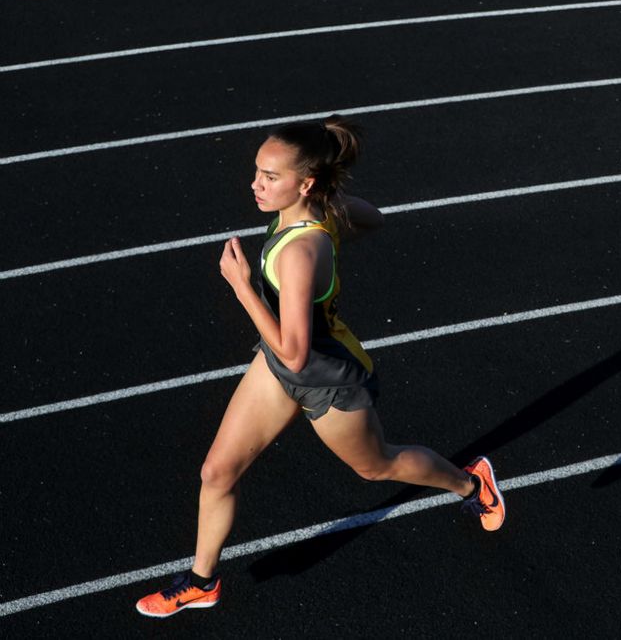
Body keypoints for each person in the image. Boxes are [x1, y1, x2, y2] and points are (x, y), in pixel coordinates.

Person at [136, 115, 505, 618]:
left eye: (270, 177)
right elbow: (373, 217)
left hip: (327, 379)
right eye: (257, 171)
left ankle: (471, 483)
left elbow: (296, 353)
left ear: (305, 182)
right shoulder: (311, 213)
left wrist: (242, 287)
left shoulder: (301, 250)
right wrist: (332, 210)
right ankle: (202, 582)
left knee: (377, 467)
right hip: (282, 364)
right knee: (217, 471)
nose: (255, 184)